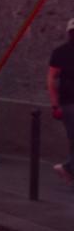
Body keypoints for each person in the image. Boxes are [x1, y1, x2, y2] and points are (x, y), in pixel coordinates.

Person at [49, 18, 74, 185]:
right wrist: (55, 104)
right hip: (69, 102)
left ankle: (69, 169)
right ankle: (68, 168)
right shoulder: (60, 52)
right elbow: (51, 78)